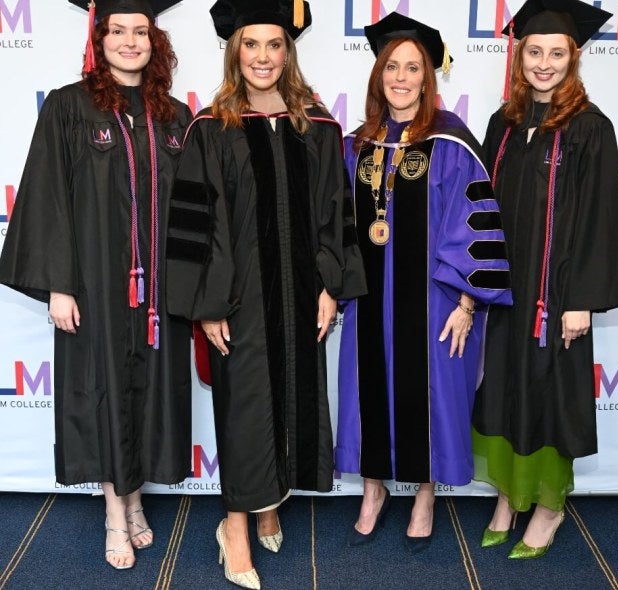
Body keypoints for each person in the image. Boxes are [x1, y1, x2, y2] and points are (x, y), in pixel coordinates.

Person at [164, 1, 366, 587]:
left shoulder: (317, 125)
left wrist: (330, 287)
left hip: (303, 293)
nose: (262, 56)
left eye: (273, 45)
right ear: (234, 51)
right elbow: (195, 224)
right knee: (245, 404)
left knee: (290, 396)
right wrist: (205, 306)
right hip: (238, 297)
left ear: (288, 51)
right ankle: (234, 524)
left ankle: (270, 499)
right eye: (250, 45)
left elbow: (336, 212)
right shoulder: (213, 127)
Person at [0, 0, 192, 570]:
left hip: (158, 293)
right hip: (95, 287)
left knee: (151, 392)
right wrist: (59, 285)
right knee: (105, 391)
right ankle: (115, 514)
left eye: (140, 32)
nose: (130, 42)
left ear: (154, 42)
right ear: (99, 38)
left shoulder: (177, 117)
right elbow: (49, 197)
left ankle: (135, 500)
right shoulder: (68, 107)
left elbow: (194, 209)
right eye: (118, 31)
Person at [335, 12, 512, 553]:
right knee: (367, 392)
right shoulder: (355, 144)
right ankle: (373, 488)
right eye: (392, 66)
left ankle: (426, 493)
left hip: (435, 302)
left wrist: (466, 301)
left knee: (431, 395)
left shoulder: (452, 143)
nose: (402, 77)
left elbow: (473, 221)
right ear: (378, 75)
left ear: (428, 76)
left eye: (413, 67)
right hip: (369, 302)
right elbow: (338, 221)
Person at [472, 0, 618, 559]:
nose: (543, 63)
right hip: (504, 291)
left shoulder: (590, 128)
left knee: (549, 396)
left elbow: (602, 219)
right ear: (520, 55)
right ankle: (507, 495)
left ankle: (547, 506)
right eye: (535, 51)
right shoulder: (503, 123)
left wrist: (582, 302)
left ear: (574, 58)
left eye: (557, 54)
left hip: (556, 296)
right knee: (500, 392)